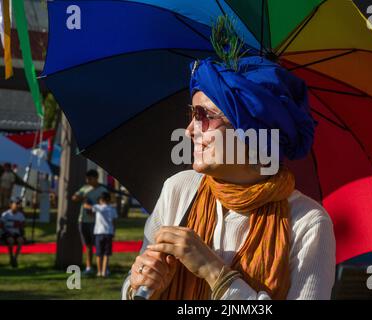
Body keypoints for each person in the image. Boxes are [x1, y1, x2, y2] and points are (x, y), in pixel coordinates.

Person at [122, 18, 335, 300]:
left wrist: (215, 273)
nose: (188, 131)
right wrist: (138, 286)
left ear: (251, 130)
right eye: (191, 114)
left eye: (204, 116)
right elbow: (133, 287)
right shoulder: (179, 189)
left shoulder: (307, 223)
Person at [72, 169, 108, 274]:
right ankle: (89, 267)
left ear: (96, 178)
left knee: (98, 245)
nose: (88, 180)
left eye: (90, 178)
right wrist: (81, 196)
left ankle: (101, 268)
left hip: (97, 222)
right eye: (87, 178)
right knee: (88, 245)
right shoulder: (85, 188)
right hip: (83, 220)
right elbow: (74, 198)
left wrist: (95, 204)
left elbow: (110, 201)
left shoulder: (102, 190)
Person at [84, 192, 118, 277]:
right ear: (109, 200)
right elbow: (114, 222)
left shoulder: (98, 207)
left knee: (99, 254)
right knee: (106, 254)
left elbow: (87, 206)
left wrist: (85, 200)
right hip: (109, 233)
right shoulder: (112, 209)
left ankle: (99, 272)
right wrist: (113, 232)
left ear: (101, 200)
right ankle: (104, 271)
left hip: (99, 233)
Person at [1, 198, 26, 268]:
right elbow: (1, 225)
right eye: (16, 204)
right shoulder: (5, 214)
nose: (17, 206)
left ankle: (15, 258)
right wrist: (7, 230)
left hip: (16, 233)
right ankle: (11, 256)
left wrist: (21, 226)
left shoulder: (20, 215)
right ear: (11, 205)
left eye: (18, 204)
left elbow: (23, 225)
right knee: (10, 241)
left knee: (20, 240)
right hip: (7, 233)